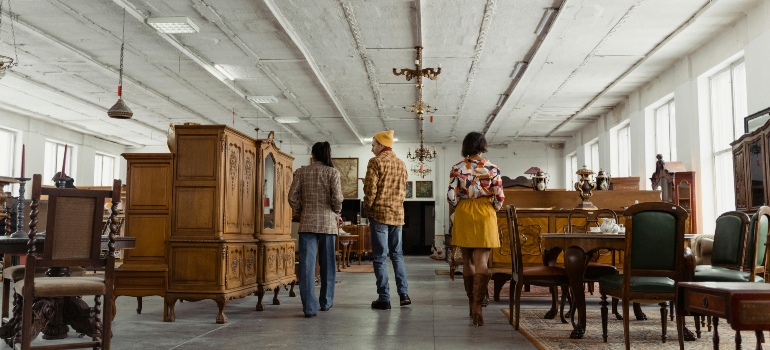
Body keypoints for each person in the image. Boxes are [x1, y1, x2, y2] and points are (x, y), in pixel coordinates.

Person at [446, 131, 504, 326]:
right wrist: (492, 208)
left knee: (467, 261)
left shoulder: (457, 168)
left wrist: (460, 206)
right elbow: (500, 197)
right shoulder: (493, 168)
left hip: (464, 212)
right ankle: (479, 306)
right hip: (485, 213)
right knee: (482, 261)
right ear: (482, 146)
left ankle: (472, 303)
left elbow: (451, 196)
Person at [288, 141, 344, 318]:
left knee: (306, 265)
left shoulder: (301, 172)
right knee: (328, 264)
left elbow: (292, 197)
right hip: (328, 223)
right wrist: (336, 212)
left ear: (313, 155)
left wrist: (301, 211)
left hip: (307, 223)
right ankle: (325, 302)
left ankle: (309, 308)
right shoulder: (333, 173)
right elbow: (337, 199)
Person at [363, 130, 410, 310]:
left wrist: (368, 211)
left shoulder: (375, 162)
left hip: (380, 215)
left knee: (380, 257)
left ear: (382, 145)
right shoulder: (401, 164)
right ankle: (404, 294)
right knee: (397, 255)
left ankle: (384, 298)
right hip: (397, 216)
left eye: (373, 145)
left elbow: (370, 190)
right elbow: (403, 191)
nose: (372, 149)